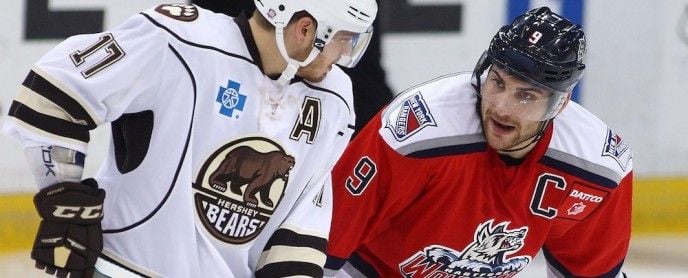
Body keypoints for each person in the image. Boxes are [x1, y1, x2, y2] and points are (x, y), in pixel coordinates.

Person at [4, 0, 377, 277]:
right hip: (123, 269)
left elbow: (299, 225)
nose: (344, 55)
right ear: (306, 30)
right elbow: (51, 94)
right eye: (343, 40)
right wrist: (66, 201)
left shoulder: (334, 98)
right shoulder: (179, 39)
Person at [325, 7, 632, 278]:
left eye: (525, 96)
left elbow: (591, 271)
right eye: (497, 82)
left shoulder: (598, 166)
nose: (501, 107)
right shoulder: (419, 130)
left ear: (560, 104)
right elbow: (328, 241)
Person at [190, 0, 394, 136]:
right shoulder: (187, 44)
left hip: (316, 89)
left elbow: (366, 83)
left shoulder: (338, 92)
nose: (346, 52)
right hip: (220, 76)